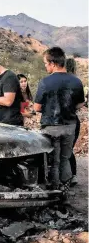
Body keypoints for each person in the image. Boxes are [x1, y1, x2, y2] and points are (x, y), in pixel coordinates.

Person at [34, 47, 85, 189]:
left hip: (50, 127)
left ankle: (54, 191)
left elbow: (37, 108)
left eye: (45, 63)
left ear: (52, 63)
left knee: (53, 162)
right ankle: (65, 191)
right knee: (65, 159)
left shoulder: (45, 82)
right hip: (69, 126)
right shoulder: (76, 81)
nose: (45, 66)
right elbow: (80, 103)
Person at [65, 58, 80, 186]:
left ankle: (67, 176)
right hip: (73, 119)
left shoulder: (60, 82)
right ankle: (72, 175)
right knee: (69, 149)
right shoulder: (76, 82)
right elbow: (80, 103)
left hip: (61, 119)